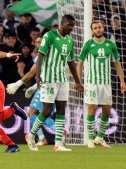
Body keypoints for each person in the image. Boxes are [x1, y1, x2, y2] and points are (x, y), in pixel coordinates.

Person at [26, 14, 84, 151]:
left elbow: (71, 63)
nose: (71, 28)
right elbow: (40, 55)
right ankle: (31, 135)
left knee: (61, 109)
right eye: (69, 25)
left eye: (73, 26)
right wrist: (38, 76)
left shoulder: (70, 41)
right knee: (45, 111)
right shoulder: (49, 36)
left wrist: (78, 82)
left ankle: (58, 144)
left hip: (62, 79)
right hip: (48, 79)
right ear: (62, 24)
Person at [77, 21, 126, 148]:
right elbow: (80, 63)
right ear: (92, 31)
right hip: (92, 83)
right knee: (92, 108)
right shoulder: (88, 44)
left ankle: (99, 138)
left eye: (99, 27)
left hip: (106, 83)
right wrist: (79, 81)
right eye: (95, 28)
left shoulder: (111, 44)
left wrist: (122, 80)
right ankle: (89, 139)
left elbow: (117, 63)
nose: (98, 30)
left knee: (107, 110)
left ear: (103, 28)